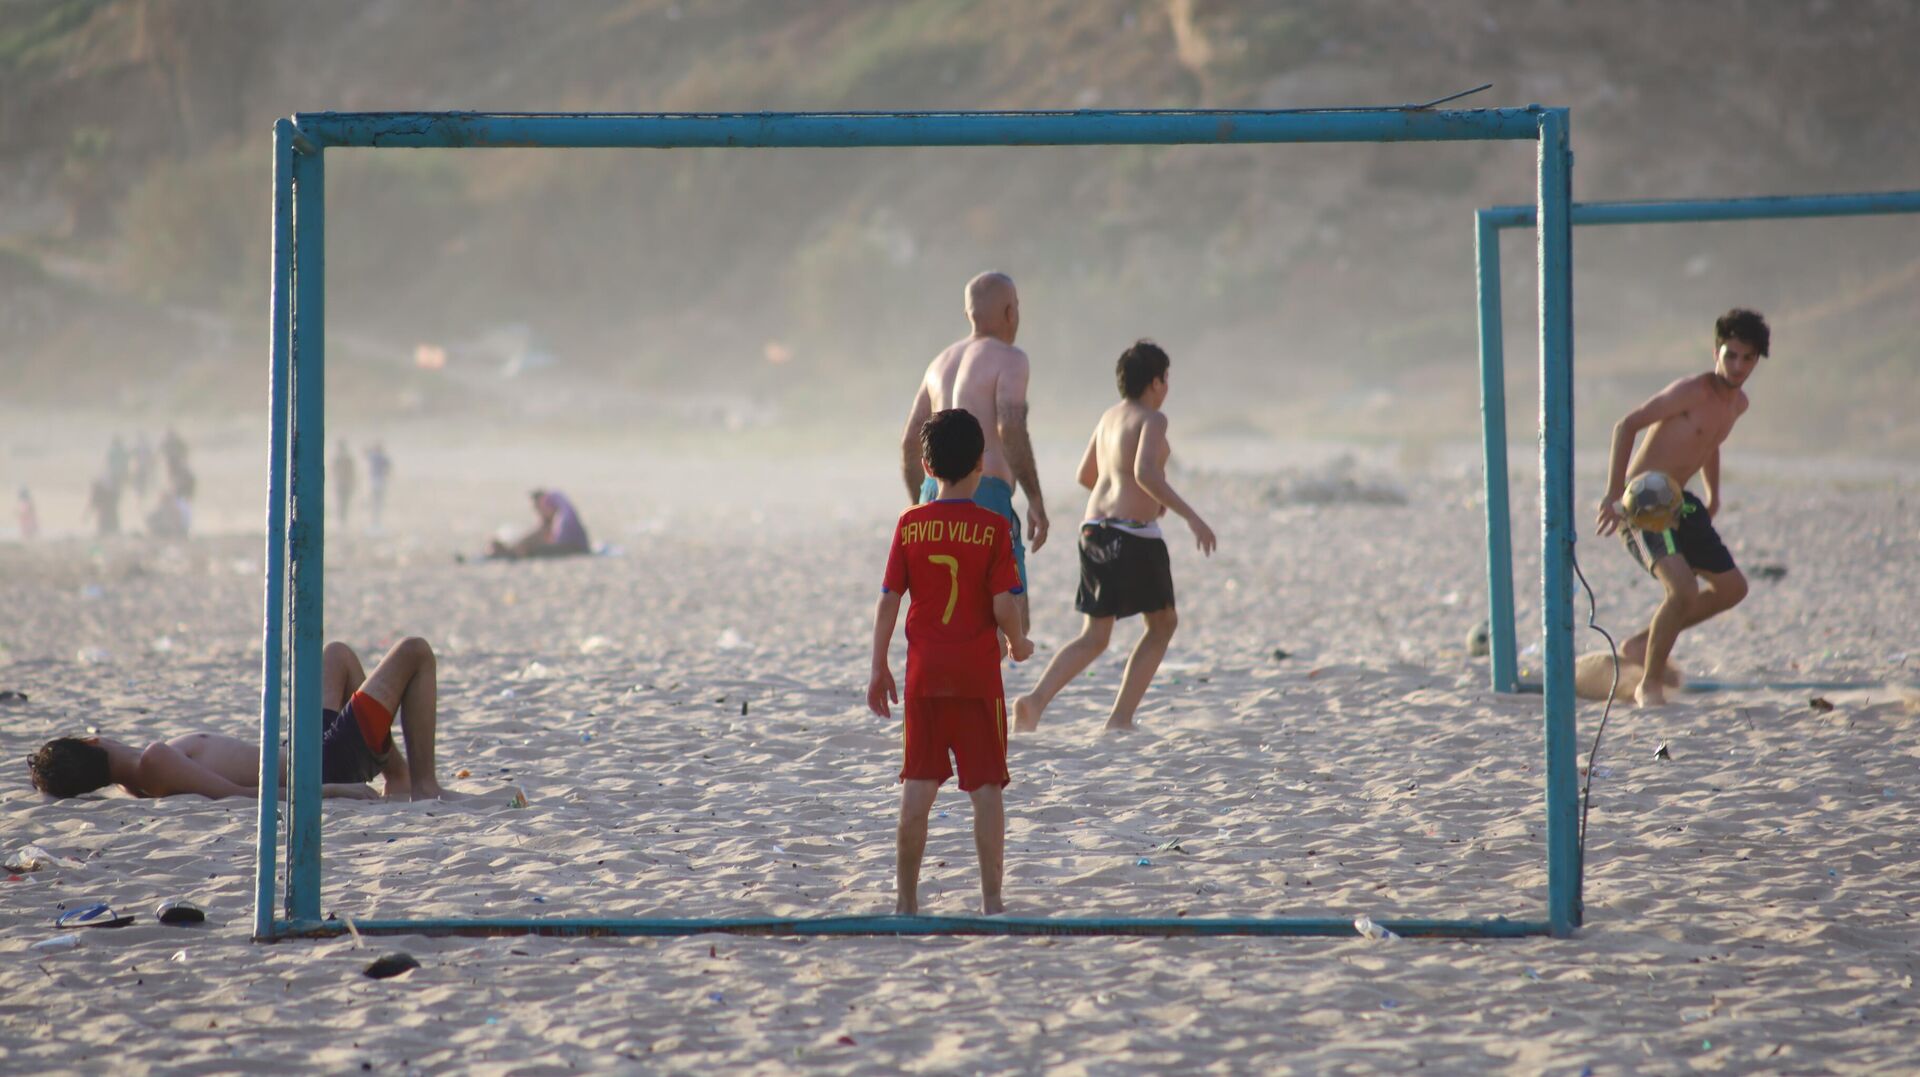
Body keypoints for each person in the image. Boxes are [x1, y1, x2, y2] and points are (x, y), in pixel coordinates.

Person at [868, 409, 1034, 915]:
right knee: (986, 789)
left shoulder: (909, 524)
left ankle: (906, 902)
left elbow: (889, 599)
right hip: (977, 678)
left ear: (926, 466)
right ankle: (991, 900)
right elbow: (1003, 603)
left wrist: (878, 666)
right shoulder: (993, 528)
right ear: (982, 462)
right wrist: (1018, 642)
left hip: (924, 677)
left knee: (917, 789)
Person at [1013, 340, 1216, 734]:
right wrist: (1191, 517)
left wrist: (1140, 496)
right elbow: (1144, 473)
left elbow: (1087, 475)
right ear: (1155, 382)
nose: (1167, 387)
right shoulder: (1153, 419)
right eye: (1166, 379)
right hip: (1131, 534)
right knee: (1162, 624)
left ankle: (1034, 702)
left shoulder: (1109, 417)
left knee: (1094, 636)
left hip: (1093, 530)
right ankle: (1120, 719)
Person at [29, 637, 478, 802]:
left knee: (336, 656)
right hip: (320, 765)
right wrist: (334, 791)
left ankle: (397, 774)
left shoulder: (135, 782)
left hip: (301, 750)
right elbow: (242, 795)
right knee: (414, 651)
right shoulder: (153, 763)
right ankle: (422, 786)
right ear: (90, 743)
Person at [1595, 308, 1765, 707]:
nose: (1737, 366)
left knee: (1733, 589)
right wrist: (1614, 494)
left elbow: (1710, 443)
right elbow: (1626, 425)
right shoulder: (1692, 391)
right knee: (1684, 590)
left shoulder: (1737, 405)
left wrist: (1713, 495)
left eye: (1747, 358)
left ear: (1757, 360)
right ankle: (1649, 684)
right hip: (1643, 502)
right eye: (1730, 355)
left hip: (1678, 501)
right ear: (1716, 352)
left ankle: (1641, 645)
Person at [898, 271, 1049, 632]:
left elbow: (910, 442)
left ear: (969, 314)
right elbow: (1010, 427)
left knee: (947, 611)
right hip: (986, 493)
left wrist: (920, 505)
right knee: (1012, 618)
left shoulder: (939, 363)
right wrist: (1035, 499)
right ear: (1011, 312)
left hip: (934, 494)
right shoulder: (1010, 359)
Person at [488, 488, 590, 559]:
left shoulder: (562, 516)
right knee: (531, 542)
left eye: (538, 507)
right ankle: (510, 550)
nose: (538, 512)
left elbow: (559, 538)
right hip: (570, 547)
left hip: (573, 548)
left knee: (532, 548)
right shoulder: (554, 518)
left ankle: (509, 551)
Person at [365, 440, 392, 532]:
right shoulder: (383, 458)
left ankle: (374, 521)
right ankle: (376, 521)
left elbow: (365, 452)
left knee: (374, 502)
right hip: (381, 482)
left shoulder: (373, 456)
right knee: (378, 502)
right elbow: (389, 467)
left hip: (373, 482)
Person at [333, 439, 358, 528]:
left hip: (342, 483)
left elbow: (334, 471)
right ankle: (342, 521)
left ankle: (342, 521)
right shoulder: (345, 459)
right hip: (343, 483)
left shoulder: (339, 459)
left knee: (342, 502)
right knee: (343, 502)